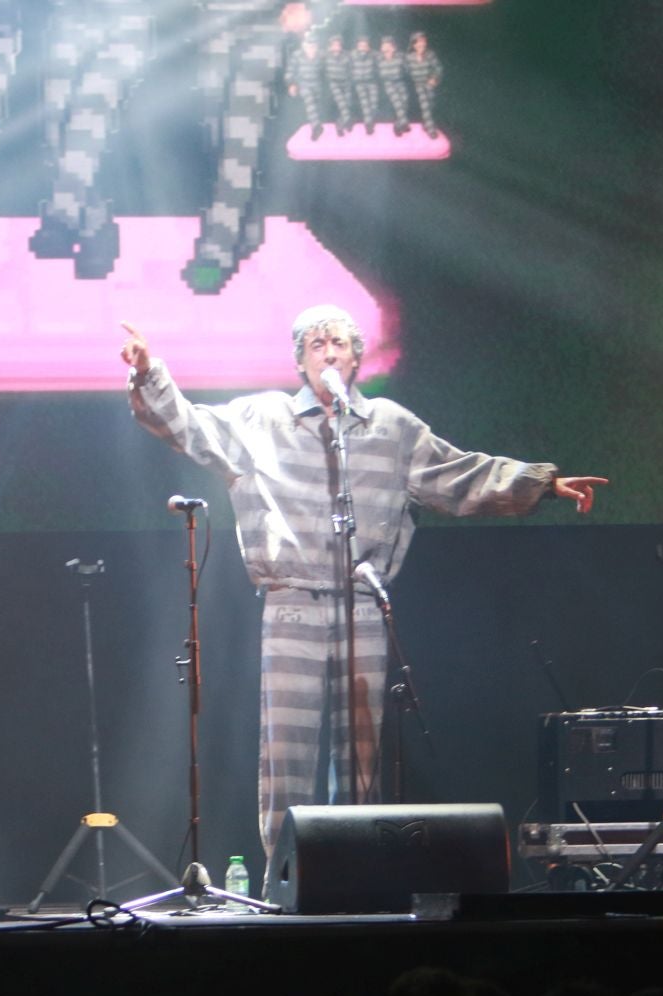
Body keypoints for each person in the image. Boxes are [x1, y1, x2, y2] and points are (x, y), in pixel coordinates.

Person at [121, 305, 607, 888]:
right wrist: (151, 375)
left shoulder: (391, 428)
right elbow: (190, 428)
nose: (329, 352)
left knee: (361, 757)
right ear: (300, 359)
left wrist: (541, 484)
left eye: (341, 343)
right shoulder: (262, 418)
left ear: (356, 357)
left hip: (363, 603)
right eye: (317, 343)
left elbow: (461, 476)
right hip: (294, 601)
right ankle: (285, 883)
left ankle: (359, 875)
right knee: (289, 756)